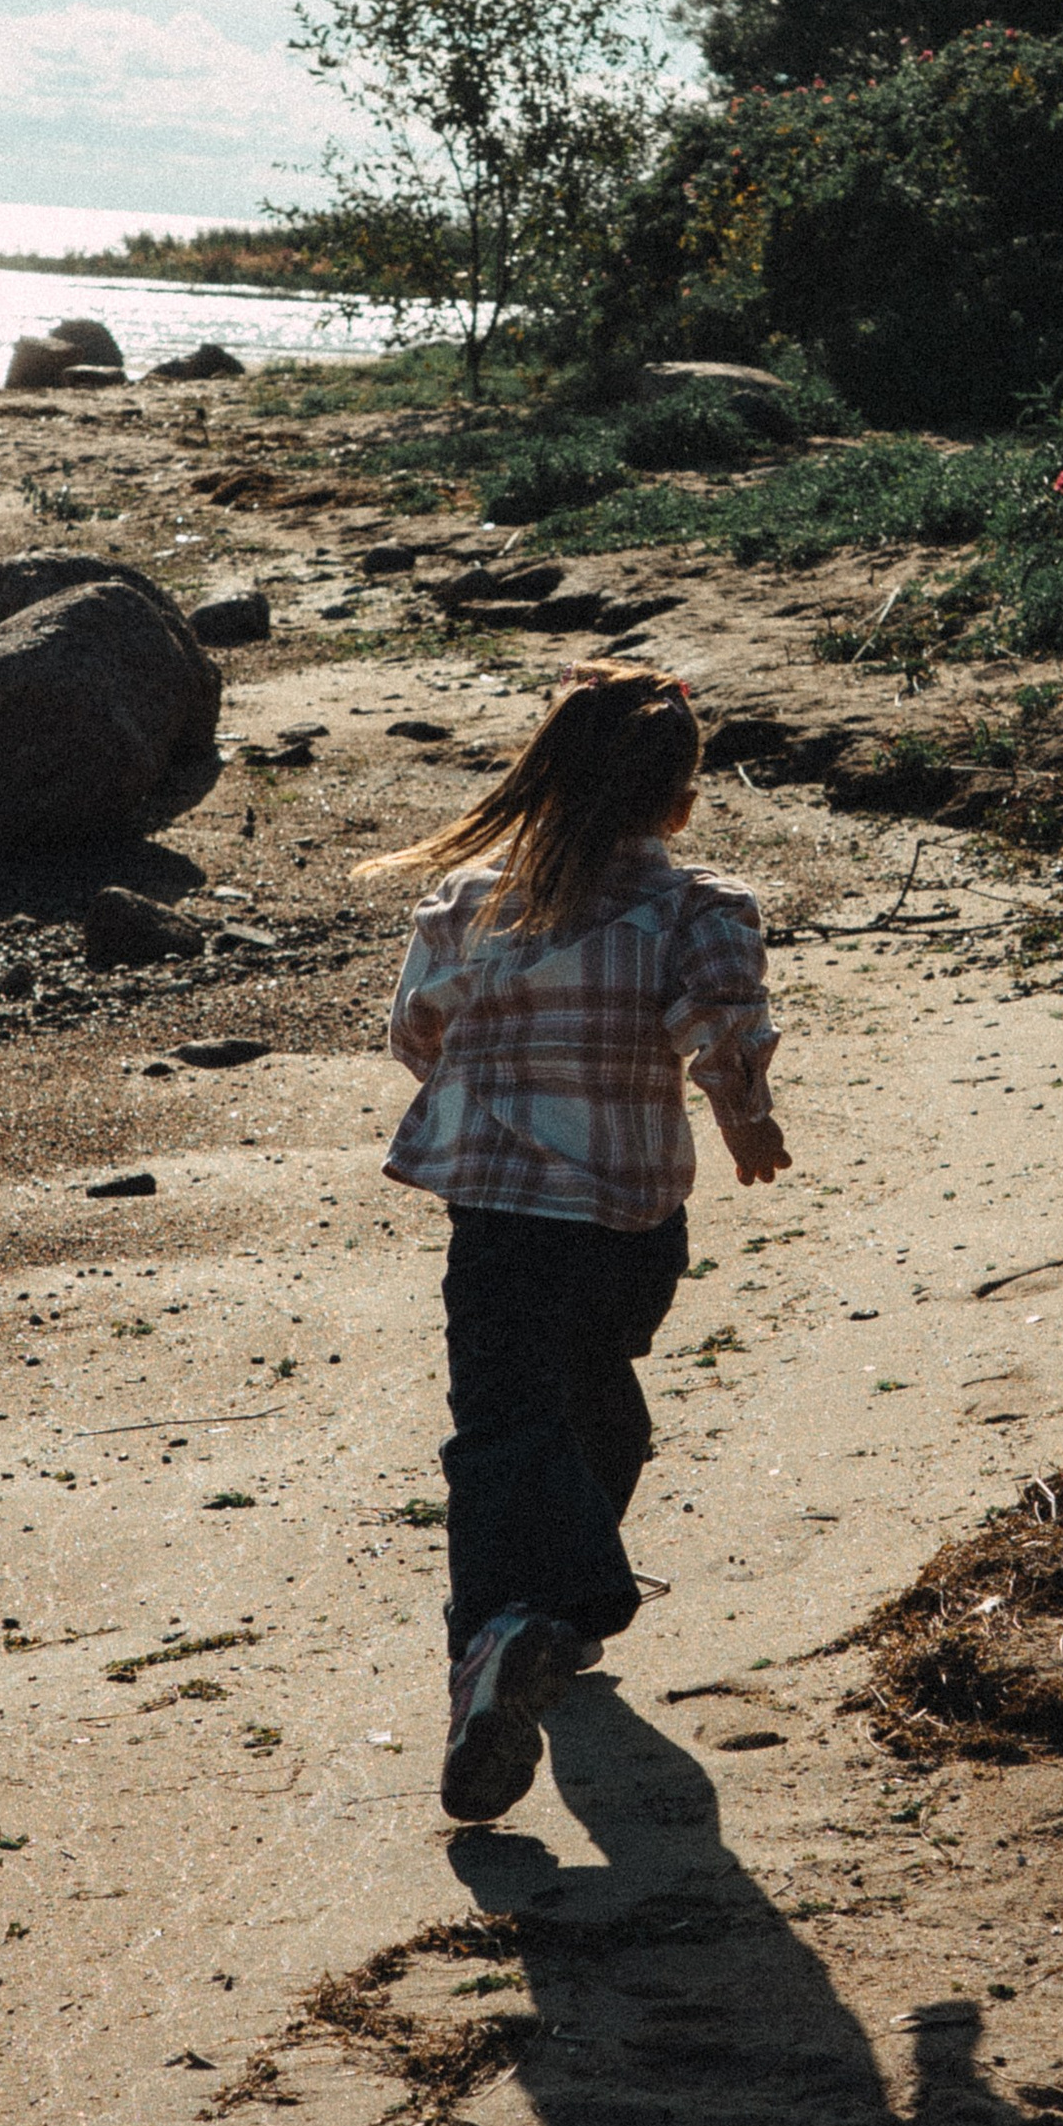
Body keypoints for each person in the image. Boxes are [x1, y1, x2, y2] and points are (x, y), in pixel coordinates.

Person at [358, 664, 791, 1823]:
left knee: (501, 1426)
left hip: (499, 1215)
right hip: (630, 1219)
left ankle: (507, 1637)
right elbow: (724, 1032)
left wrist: (493, 1086)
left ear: (543, 776)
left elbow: (415, 1033)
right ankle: (557, 1608)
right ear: (678, 799)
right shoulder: (703, 906)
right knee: (596, 1385)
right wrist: (748, 1128)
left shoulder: (467, 902)